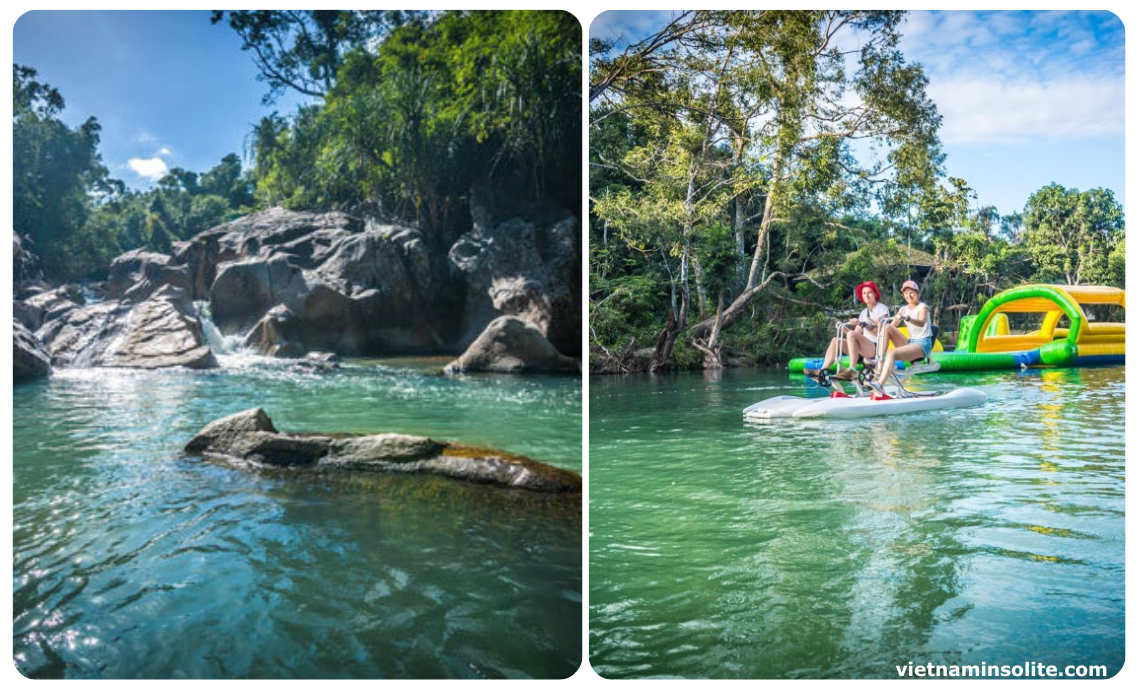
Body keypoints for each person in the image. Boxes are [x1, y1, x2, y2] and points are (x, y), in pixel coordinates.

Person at [805, 280, 890, 385]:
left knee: (851, 335)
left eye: (869, 292)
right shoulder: (863, 313)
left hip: (875, 348)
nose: (867, 295)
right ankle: (822, 371)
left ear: (875, 294)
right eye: (864, 293)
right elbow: (854, 335)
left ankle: (852, 370)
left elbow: (877, 331)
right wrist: (842, 327)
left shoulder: (882, 309)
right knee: (836, 340)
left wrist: (860, 323)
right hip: (862, 350)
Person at [874, 279, 932, 386]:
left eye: (911, 293)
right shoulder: (903, 309)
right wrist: (876, 326)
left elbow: (921, 323)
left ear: (917, 293)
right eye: (906, 293)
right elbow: (891, 326)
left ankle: (880, 385)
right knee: (886, 327)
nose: (908, 295)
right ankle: (880, 362)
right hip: (911, 343)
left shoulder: (923, 307)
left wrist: (908, 318)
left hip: (923, 344)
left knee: (892, 353)